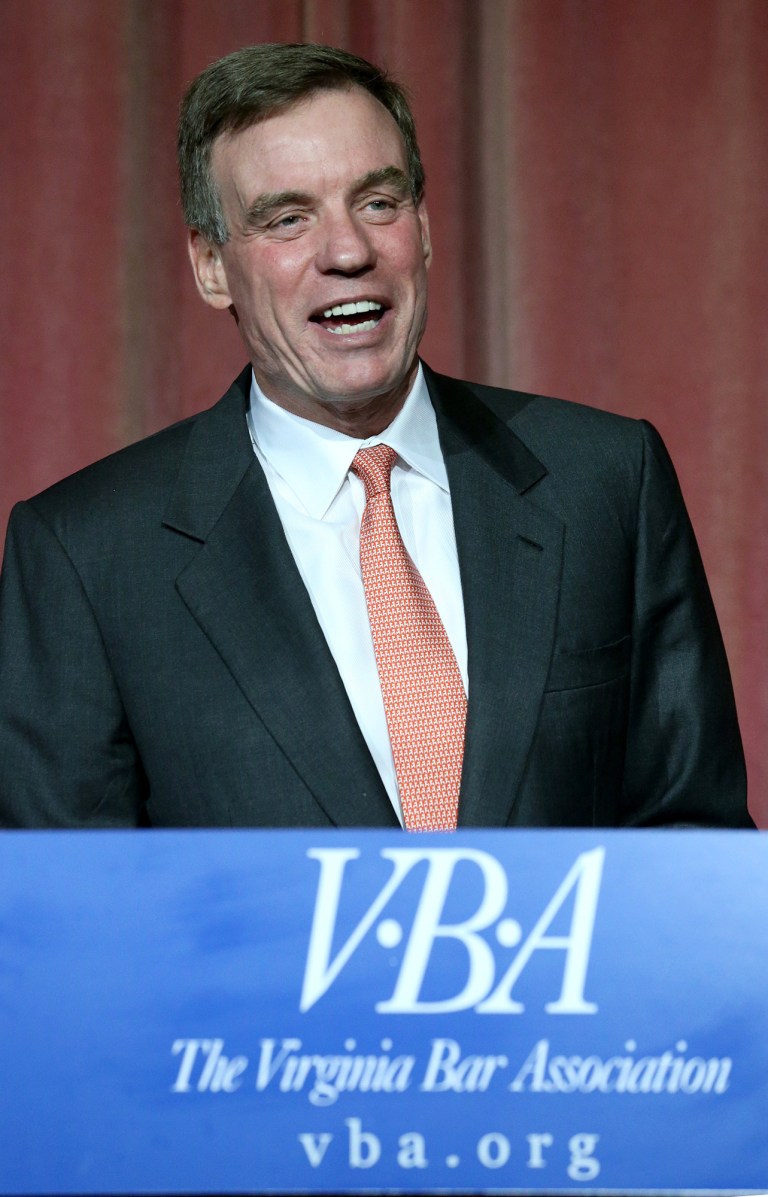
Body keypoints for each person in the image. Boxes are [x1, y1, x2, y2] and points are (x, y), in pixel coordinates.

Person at [0, 43, 751, 830]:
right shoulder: (87, 556)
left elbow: (691, 855)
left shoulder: (607, 481)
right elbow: (70, 924)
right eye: (288, 218)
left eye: (379, 202)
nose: (348, 251)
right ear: (211, 265)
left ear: (423, 228)